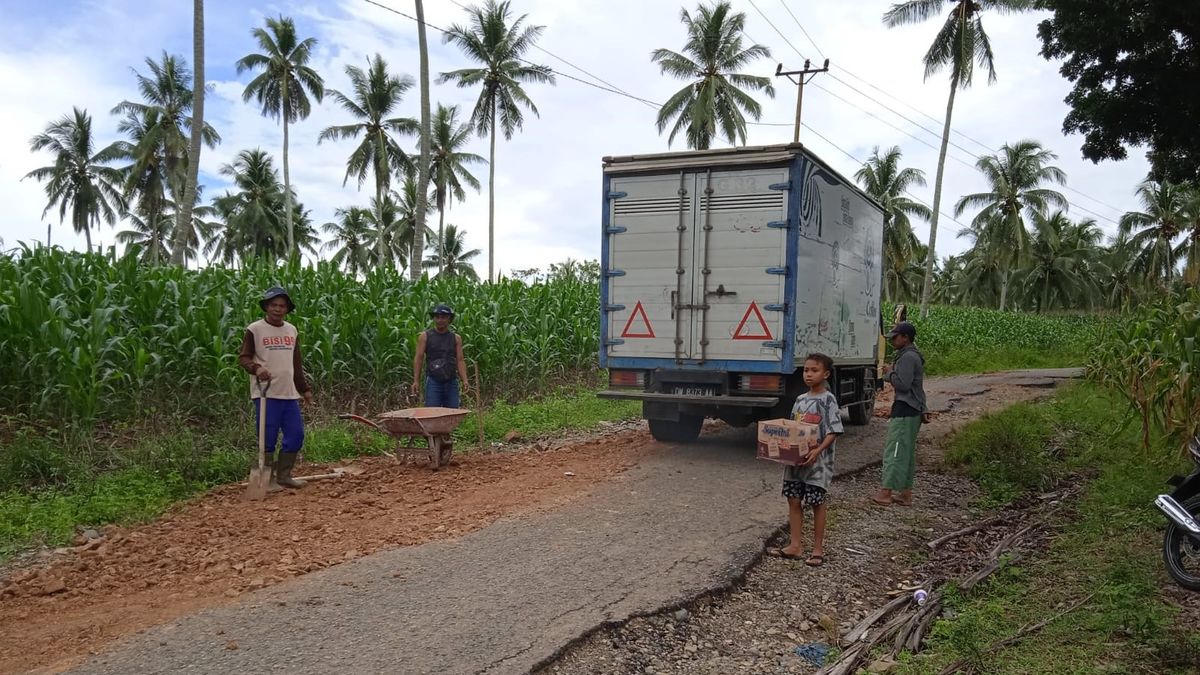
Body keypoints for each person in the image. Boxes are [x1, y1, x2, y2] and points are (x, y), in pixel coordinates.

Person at [768, 353, 844, 567]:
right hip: (796, 463)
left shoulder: (828, 400)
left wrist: (817, 451)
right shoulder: (800, 400)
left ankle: (818, 549)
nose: (809, 374)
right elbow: (793, 429)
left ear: (826, 374)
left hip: (818, 465)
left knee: (816, 502)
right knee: (793, 499)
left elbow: (834, 430)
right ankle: (795, 545)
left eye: (814, 370)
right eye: (806, 370)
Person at [237, 286, 314, 490]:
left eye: (282, 306)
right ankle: (267, 478)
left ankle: (284, 475)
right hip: (265, 393)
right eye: (274, 305)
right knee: (267, 437)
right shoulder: (255, 329)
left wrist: (304, 389)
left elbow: (296, 363)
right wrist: (256, 368)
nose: (278, 309)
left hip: (289, 393)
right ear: (266, 307)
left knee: (296, 435)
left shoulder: (291, 330)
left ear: (287, 309)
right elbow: (243, 358)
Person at [873, 321, 929, 506]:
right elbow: (917, 387)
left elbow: (904, 385)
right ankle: (905, 494)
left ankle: (886, 492)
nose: (892, 341)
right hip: (912, 408)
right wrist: (924, 408)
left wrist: (889, 373)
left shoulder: (907, 358)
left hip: (905, 408)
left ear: (905, 337)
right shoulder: (912, 355)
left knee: (895, 450)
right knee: (906, 452)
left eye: (895, 337)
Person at [411, 304, 469, 408]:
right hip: (433, 381)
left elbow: (460, 360)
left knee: (452, 414)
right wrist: (416, 381)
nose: (440, 320)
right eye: (437, 317)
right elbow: (418, 358)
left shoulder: (456, 338)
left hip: (451, 381)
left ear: (449, 319)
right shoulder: (425, 336)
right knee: (432, 414)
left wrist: (465, 380)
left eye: (443, 317)